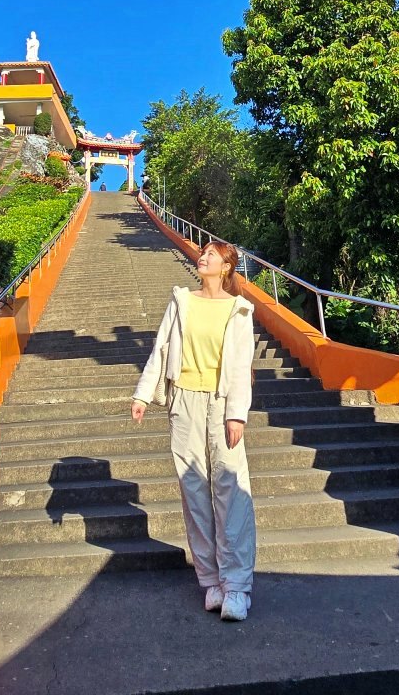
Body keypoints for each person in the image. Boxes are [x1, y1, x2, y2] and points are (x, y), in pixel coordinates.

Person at [131, 240, 258, 621]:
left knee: (230, 489)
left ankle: (237, 585)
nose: (203, 257)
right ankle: (212, 582)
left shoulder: (239, 309)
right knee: (194, 492)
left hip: (221, 404)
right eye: (202, 252)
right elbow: (161, 347)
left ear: (226, 267)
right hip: (183, 401)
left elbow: (241, 365)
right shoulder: (181, 301)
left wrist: (237, 413)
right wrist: (142, 394)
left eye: (212, 255)